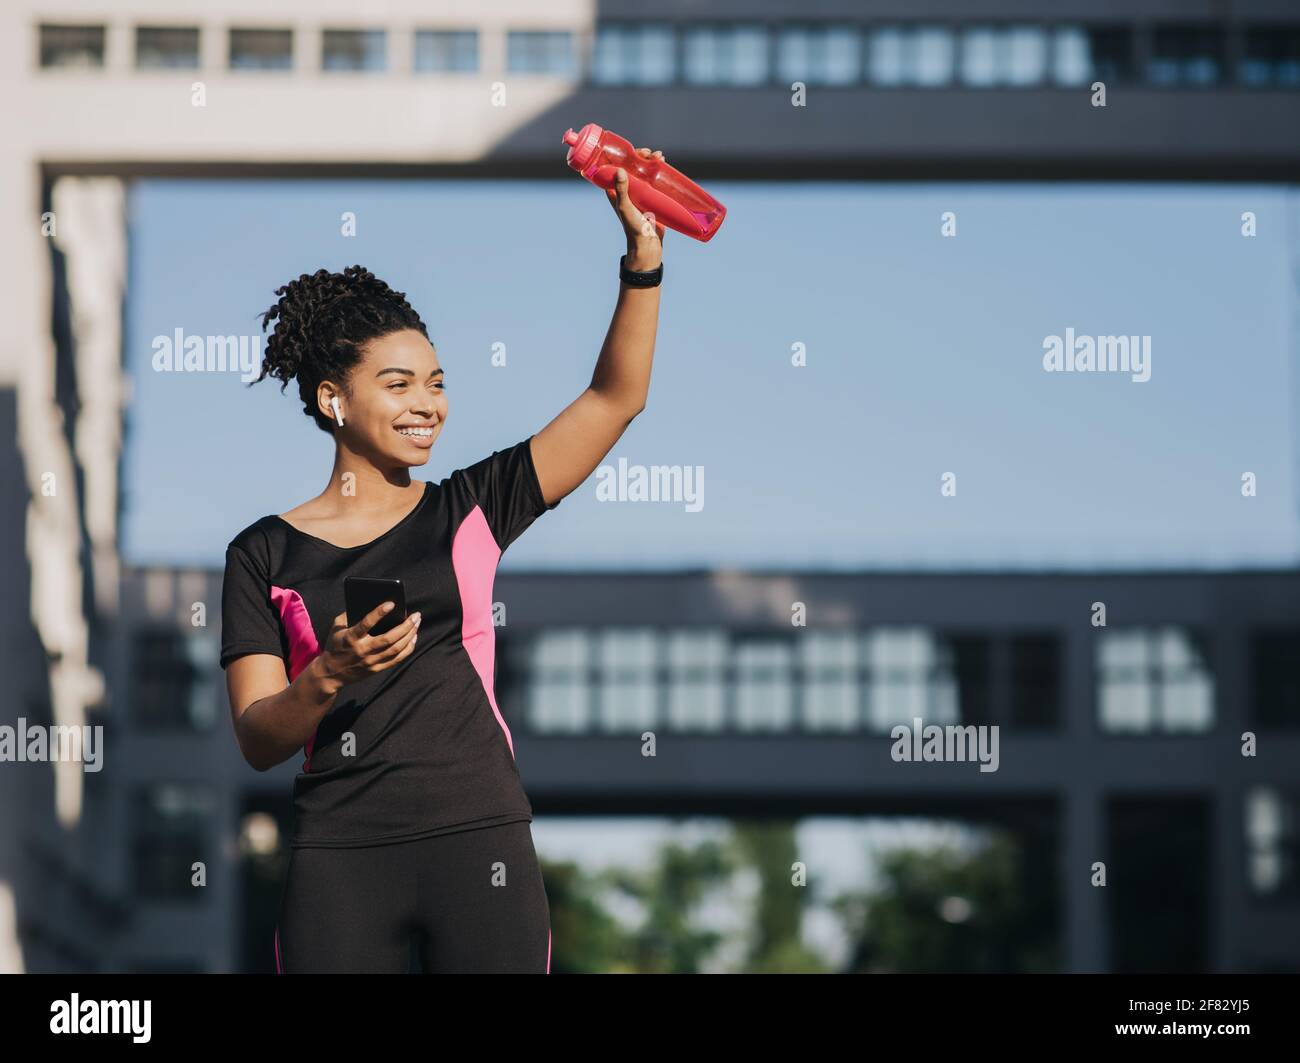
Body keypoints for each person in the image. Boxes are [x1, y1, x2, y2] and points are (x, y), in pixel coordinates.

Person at [219, 150, 668, 973]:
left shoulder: (474, 506)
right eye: (399, 384)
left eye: (436, 381)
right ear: (333, 399)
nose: (429, 404)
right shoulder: (262, 553)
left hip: (480, 842)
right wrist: (329, 675)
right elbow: (256, 736)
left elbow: (616, 398)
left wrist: (642, 263)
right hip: (340, 858)